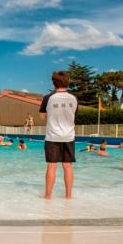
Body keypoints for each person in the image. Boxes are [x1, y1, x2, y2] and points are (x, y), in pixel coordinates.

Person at [40, 71, 78, 200]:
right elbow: (74, 115)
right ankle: (68, 196)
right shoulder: (74, 98)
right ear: (67, 82)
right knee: (67, 166)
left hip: (52, 136)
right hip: (69, 136)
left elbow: (42, 116)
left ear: (53, 83)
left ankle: (48, 196)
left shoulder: (48, 98)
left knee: (52, 166)